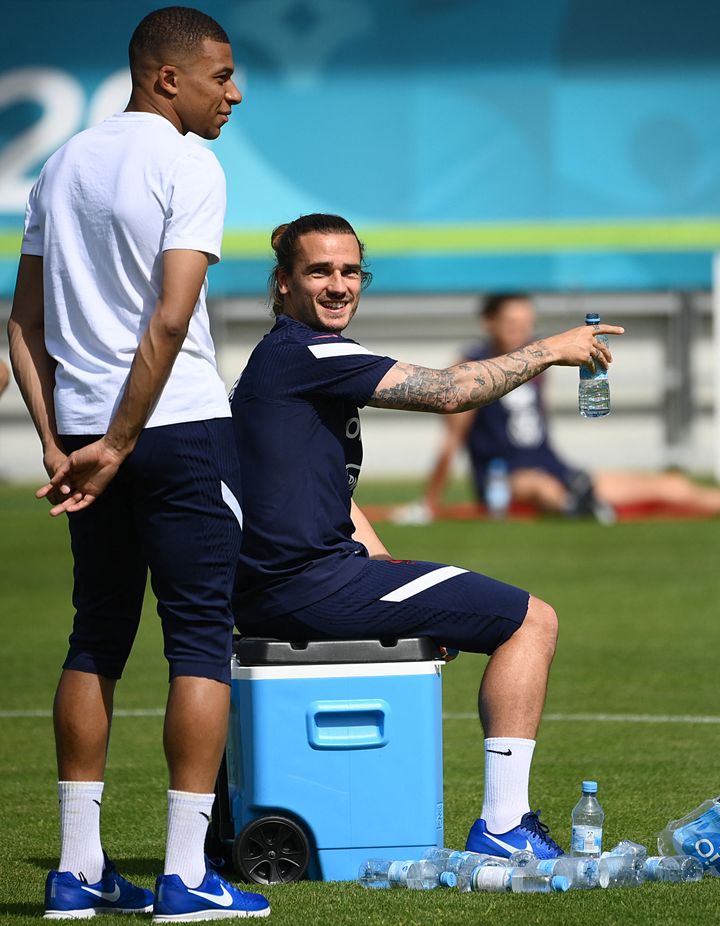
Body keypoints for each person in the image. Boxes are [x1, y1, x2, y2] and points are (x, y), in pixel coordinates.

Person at [229, 213, 623, 859]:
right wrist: (552, 349)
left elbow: (319, 490)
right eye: (318, 271)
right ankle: (503, 826)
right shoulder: (309, 352)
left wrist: (382, 563)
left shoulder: (281, 360)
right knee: (532, 621)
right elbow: (446, 391)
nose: (337, 285)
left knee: (477, 603)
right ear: (281, 284)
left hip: (291, 586)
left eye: (349, 271)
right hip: (311, 587)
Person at [8, 7, 269, 921]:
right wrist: (120, 441)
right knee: (200, 640)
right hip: (174, 429)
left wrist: (58, 440)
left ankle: (77, 873)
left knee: (95, 638)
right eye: (221, 75)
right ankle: (187, 878)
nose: (233, 93)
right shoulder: (190, 162)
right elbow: (169, 318)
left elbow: (22, 325)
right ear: (168, 78)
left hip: (83, 436)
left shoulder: (61, 162)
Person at [406, 292, 720, 523]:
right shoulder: (471, 367)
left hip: (554, 467)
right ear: (490, 323)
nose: (521, 331)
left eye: (526, 323)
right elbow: (451, 440)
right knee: (541, 489)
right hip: (504, 478)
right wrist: (430, 503)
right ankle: (581, 506)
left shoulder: (537, 361)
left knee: (671, 485)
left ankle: (585, 502)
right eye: (512, 323)